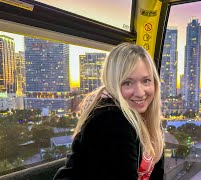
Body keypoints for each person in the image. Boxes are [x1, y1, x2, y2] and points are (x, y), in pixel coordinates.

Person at [54, 43, 165, 180]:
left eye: (146, 81)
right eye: (127, 83)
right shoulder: (111, 121)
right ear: (113, 85)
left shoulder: (148, 119)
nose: (140, 92)